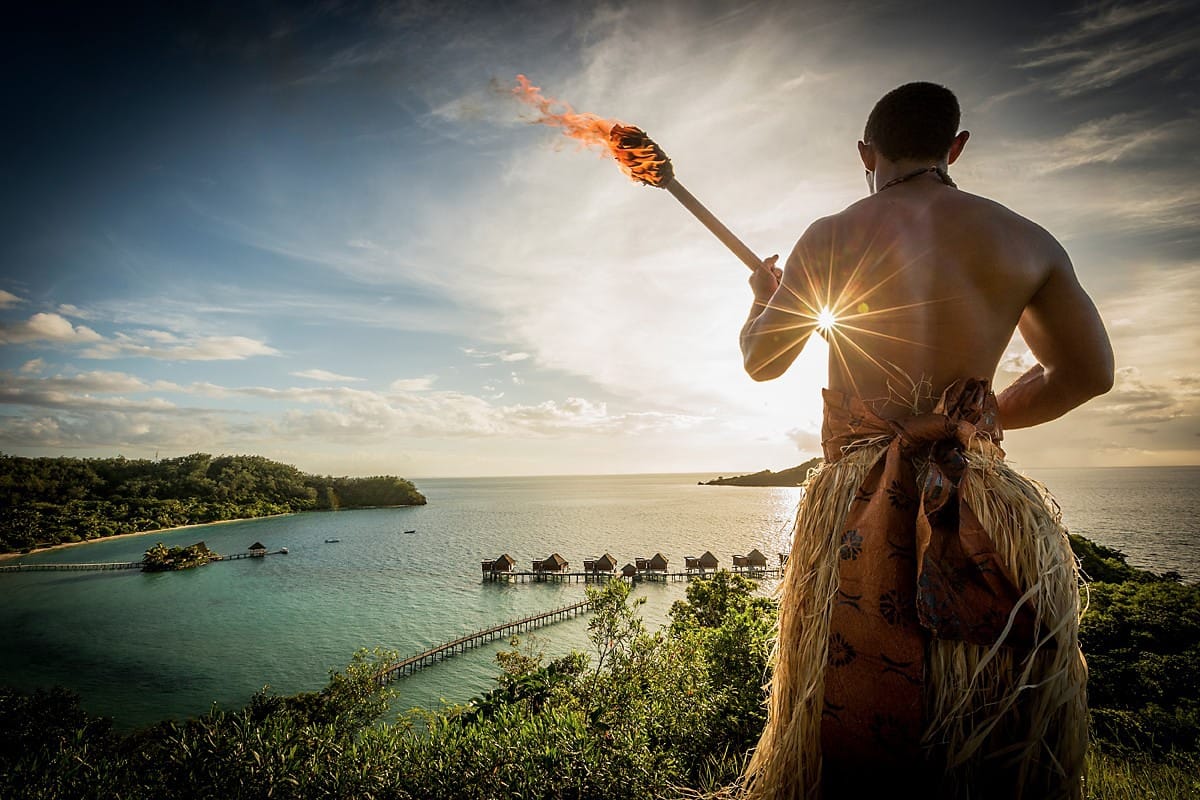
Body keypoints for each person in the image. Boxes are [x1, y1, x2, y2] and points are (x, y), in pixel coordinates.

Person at [737, 83, 1113, 800]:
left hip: (857, 503)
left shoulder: (833, 233)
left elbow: (762, 361)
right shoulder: (1025, 238)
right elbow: (1087, 373)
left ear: (866, 155)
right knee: (986, 741)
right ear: (956, 147)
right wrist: (967, 422)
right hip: (982, 506)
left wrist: (762, 298)